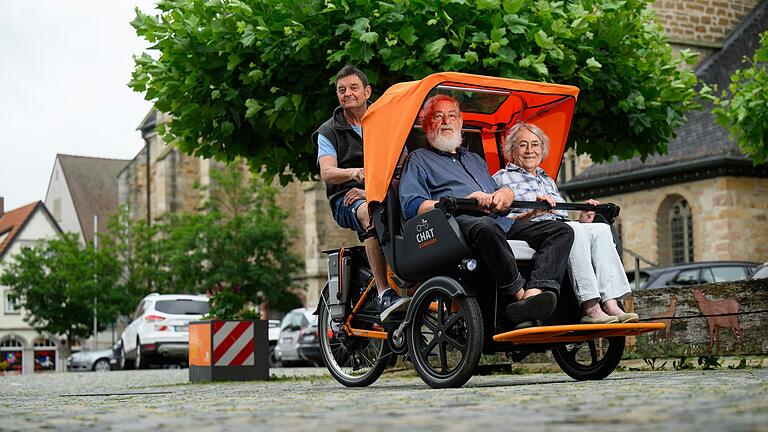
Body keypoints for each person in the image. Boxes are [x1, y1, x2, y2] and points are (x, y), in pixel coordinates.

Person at [398, 94, 574, 325]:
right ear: (426, 124)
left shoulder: (475, 160)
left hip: (499, 222)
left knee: (560, 230)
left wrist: (506, 194)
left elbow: (499, 193)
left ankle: (535, 292)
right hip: (454, 226)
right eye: (437, 117)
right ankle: (519, 296)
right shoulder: (418, 160)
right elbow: (412, 205)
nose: (446, 122)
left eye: (451, 116)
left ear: (461, 122)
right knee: (485, 226)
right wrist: (461, 201)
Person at [493, 121, 640, 324]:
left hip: (558, 229)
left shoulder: (547, 180)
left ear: (542, 150)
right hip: (529, 231)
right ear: (511, 150)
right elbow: (501, 222)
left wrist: (582, 219)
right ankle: (590, 306)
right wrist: (533, 212)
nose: (530, 150)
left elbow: (558, 216)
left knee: (600, 229)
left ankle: (611, 302)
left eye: (535, 145)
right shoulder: (501, 179)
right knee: (571, 230)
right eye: (523, 145)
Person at [313, 66, 408, 320]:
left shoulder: (386, 121)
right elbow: (328, 172)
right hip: (347, 200)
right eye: (341, 90)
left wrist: (372, 187)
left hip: (387, 194)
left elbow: (404, 162)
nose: (347, 94)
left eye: (353, 88)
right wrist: (355, 174)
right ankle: (383, 291)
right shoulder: (328, 131)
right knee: (370, 211)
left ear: (367, 91)